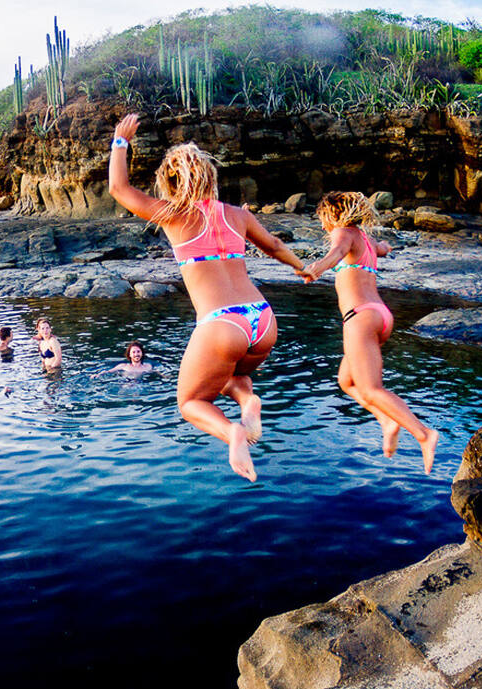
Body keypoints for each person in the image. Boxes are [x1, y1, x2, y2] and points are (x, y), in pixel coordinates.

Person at [107, 113, 308, 481]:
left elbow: (119, 189)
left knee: (191, 402)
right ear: (209, 177)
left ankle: (233, 431)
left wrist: (121, 142)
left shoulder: (173, 214)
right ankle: (248, 401)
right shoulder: (236, 215)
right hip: (262, 319)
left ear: (170, 181)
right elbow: (276, 245)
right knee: (231, 372)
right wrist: (304, 268)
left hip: (221, 323)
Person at [302, 191, 438, 474]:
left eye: (323, 219)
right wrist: (384, 246)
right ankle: (388, 421)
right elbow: (382, 249)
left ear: (332, 215)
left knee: (370, 388)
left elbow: (336, 253)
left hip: (360, 319)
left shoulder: (344, 233)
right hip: (380, 316)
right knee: (346, 381)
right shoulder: (365, 239)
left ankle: (424, 434)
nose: (323, 226)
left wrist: (317, 268)